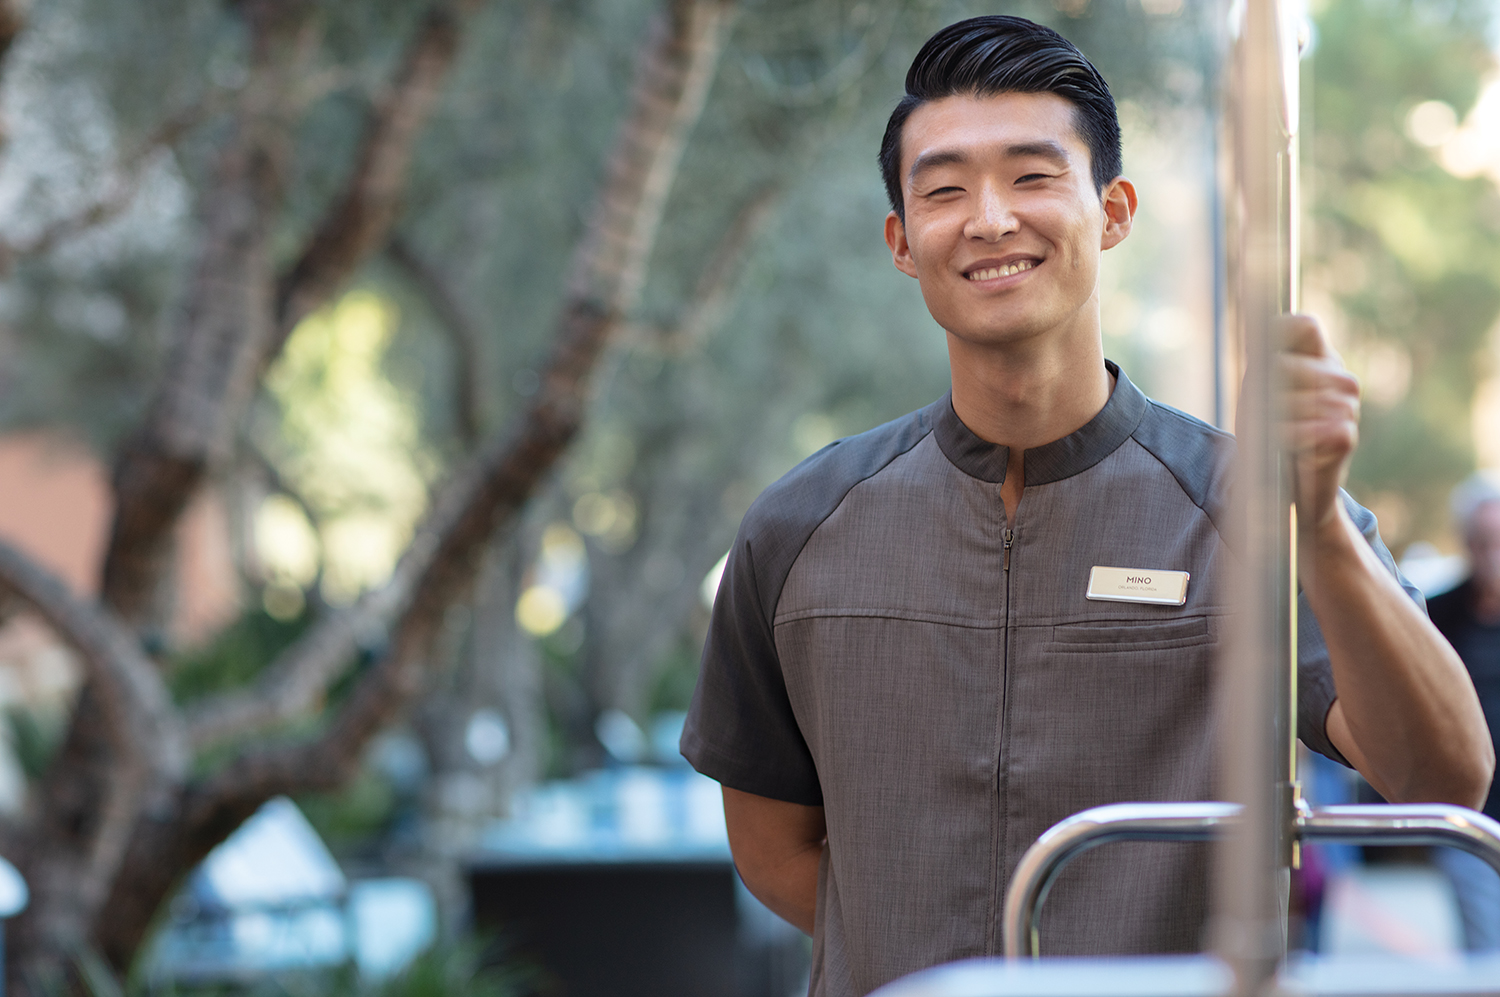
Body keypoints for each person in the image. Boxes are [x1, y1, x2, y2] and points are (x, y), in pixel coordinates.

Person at [680, 16, 1492, 996]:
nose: (988, 219)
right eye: (944, 189)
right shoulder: (799, 528)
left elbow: (1444, 778)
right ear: (902, 240)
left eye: (1032, 176)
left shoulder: (1255, 507)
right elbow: (773, 847)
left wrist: (1317, 527)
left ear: (1112, 212)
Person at [1428, 473, 1500, 952]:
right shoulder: (1439, 614)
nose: (1492, 554)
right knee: (1487, 953)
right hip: (1471, 813)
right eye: (1482, 542)